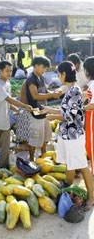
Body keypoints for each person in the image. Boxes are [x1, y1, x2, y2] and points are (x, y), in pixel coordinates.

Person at [44, 61, 93, 211]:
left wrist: (52, 117)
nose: (59, 77)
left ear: (64, 74)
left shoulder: (74, 91)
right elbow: (65, 111)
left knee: (82, 166)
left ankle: (91, 197)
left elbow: (69, 117)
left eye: (59, 74)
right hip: (67, 135)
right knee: (69, 165)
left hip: (74, 136)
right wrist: (49, 110)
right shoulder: (71, 90)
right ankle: (68, 188)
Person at [25, 56, 62, 161]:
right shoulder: (31, 79)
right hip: (35, 113)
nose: (44, 70)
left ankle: (43, 156)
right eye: (43, 67)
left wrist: (54, 93)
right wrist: (51, 96)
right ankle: (31, 160)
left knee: (44, 137)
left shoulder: (41, 77)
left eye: (46, 68)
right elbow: (35, 96)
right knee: (35, 138)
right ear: (36, 66)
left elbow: (46, 92)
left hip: (44, 111)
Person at [83, 57, 94, 174]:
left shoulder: (93, 84)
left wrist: (80, 109)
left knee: (91, 144)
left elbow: (93, 105)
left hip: (92, 117)